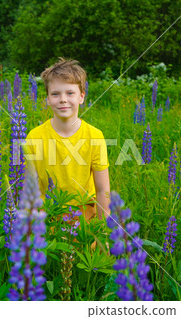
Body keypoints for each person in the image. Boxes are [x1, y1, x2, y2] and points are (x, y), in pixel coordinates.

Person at [24, 57, 110, 221]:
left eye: (70, 93)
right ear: (48, 99)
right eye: (55, 94)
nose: (63, 99)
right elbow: (28, 187)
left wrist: (103, 231)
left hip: (85, 217)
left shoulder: (95, 136)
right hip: (46, 217)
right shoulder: (34, 137)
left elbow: (102, 190)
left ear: (82, 97)